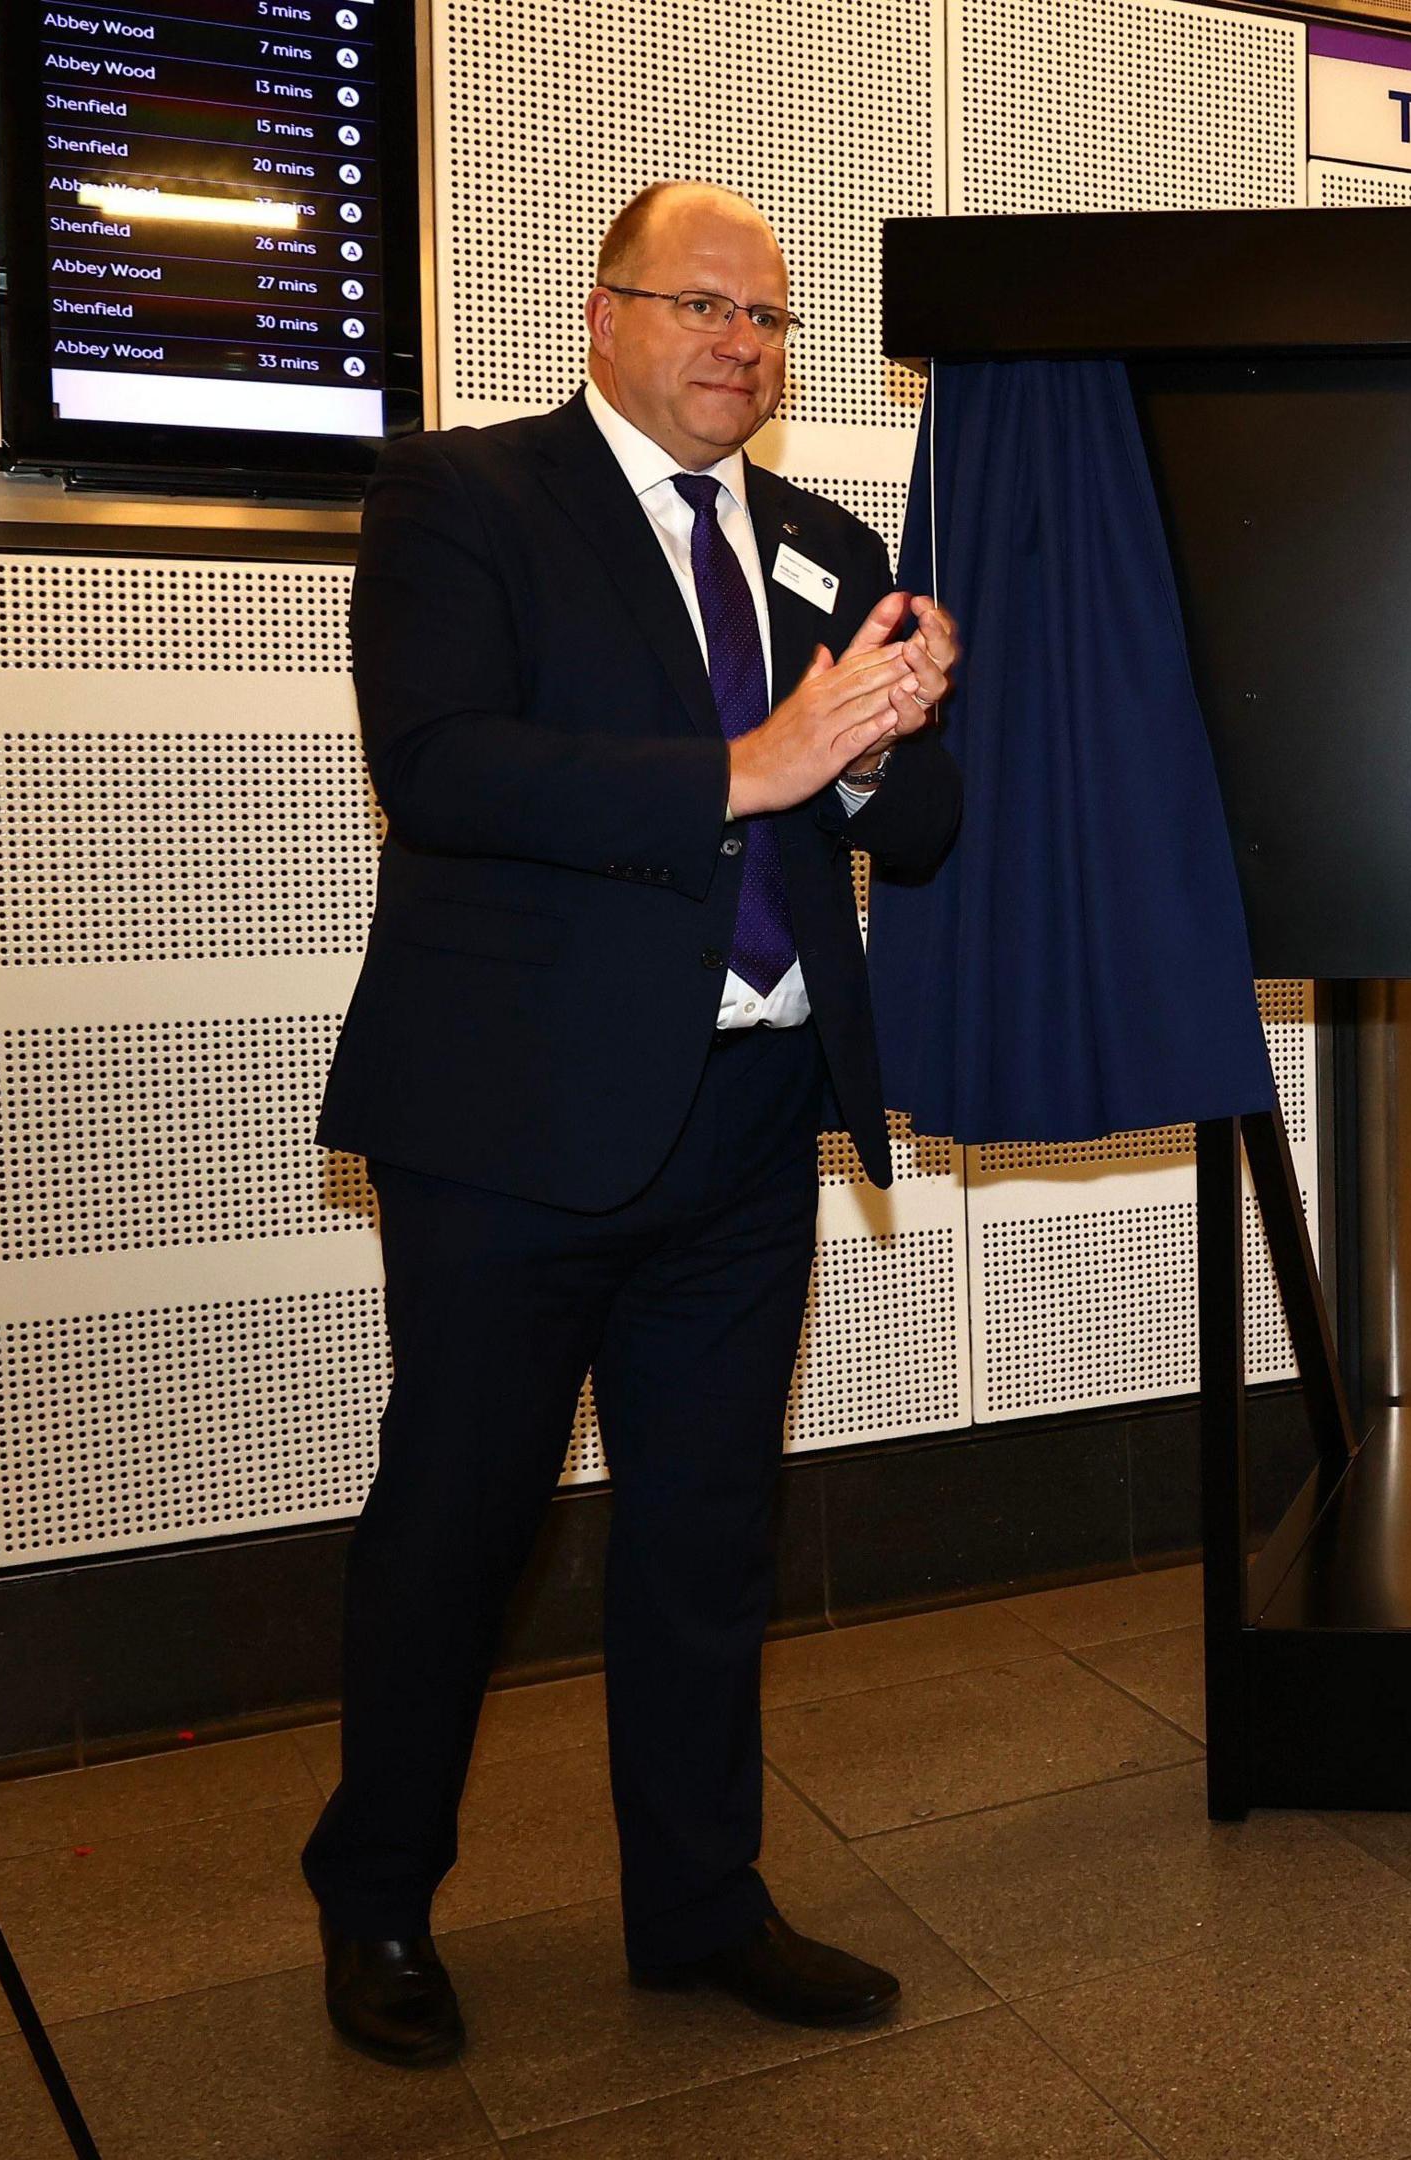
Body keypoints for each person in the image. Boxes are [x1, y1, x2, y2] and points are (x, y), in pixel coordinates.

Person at [303, 180, 964, 2067]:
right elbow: (438, 768)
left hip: (751, 1114)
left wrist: (895, 736)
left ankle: (697, 1908)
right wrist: (749, 765)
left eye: (763, 317)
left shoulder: (832, 551)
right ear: (602, 318)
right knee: (459, 1528)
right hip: (510, 1123)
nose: (734, 344)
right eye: (696, 304)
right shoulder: (465, 500)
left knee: (704, 1536)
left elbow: (908, 836)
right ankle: (375, 1906)